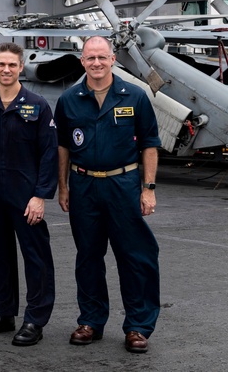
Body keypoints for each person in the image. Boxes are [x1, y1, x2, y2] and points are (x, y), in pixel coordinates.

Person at [54, 35, 160, 354]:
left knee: (135, 256)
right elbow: (63, 147)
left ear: (113, 59)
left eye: (102, 57)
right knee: (88, 257)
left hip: (123, 185)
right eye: (90, 58)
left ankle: (138, 327)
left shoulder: (136, 96)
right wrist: (63, 187)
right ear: (82, 61)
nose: (96, 63)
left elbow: (150, 144)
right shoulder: (69, 99)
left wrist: (149, 189)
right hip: (84, 186)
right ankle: (91, 320)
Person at [0, 42, 58, 347]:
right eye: (1, 64)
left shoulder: (37, 106)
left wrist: (40, 196)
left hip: (25, 194)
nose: (6, 70)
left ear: (20, 68)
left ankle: (35, 319)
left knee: (36, 257)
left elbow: (48, 154)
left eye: (12, 65)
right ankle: (3, 313)